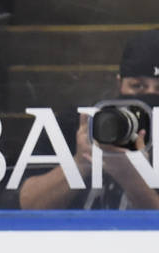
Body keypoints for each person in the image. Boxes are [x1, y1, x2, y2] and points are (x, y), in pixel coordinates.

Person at [19, 29, 159, 210]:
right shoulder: (83, 124)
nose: (149, 96)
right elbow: (27, 206)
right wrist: (81, 162)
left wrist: (131, 179)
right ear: (119, 84)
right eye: (137, 86)